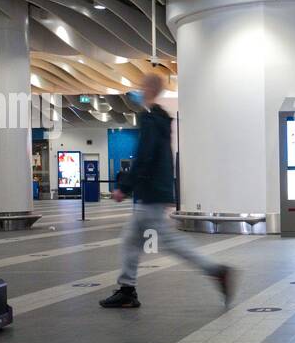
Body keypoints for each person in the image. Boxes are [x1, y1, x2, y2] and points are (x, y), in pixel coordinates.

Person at [100, 71, 235, 308]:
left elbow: (145, 155)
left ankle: (216, 270)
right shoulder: (161, 118)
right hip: (154, 191)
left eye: (142, 87)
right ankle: (127, 289)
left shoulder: (151, 118)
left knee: (169, 242)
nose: (139, 91)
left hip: (150, 193)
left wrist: (124, 187)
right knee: (131, 241)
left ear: (149, 90)